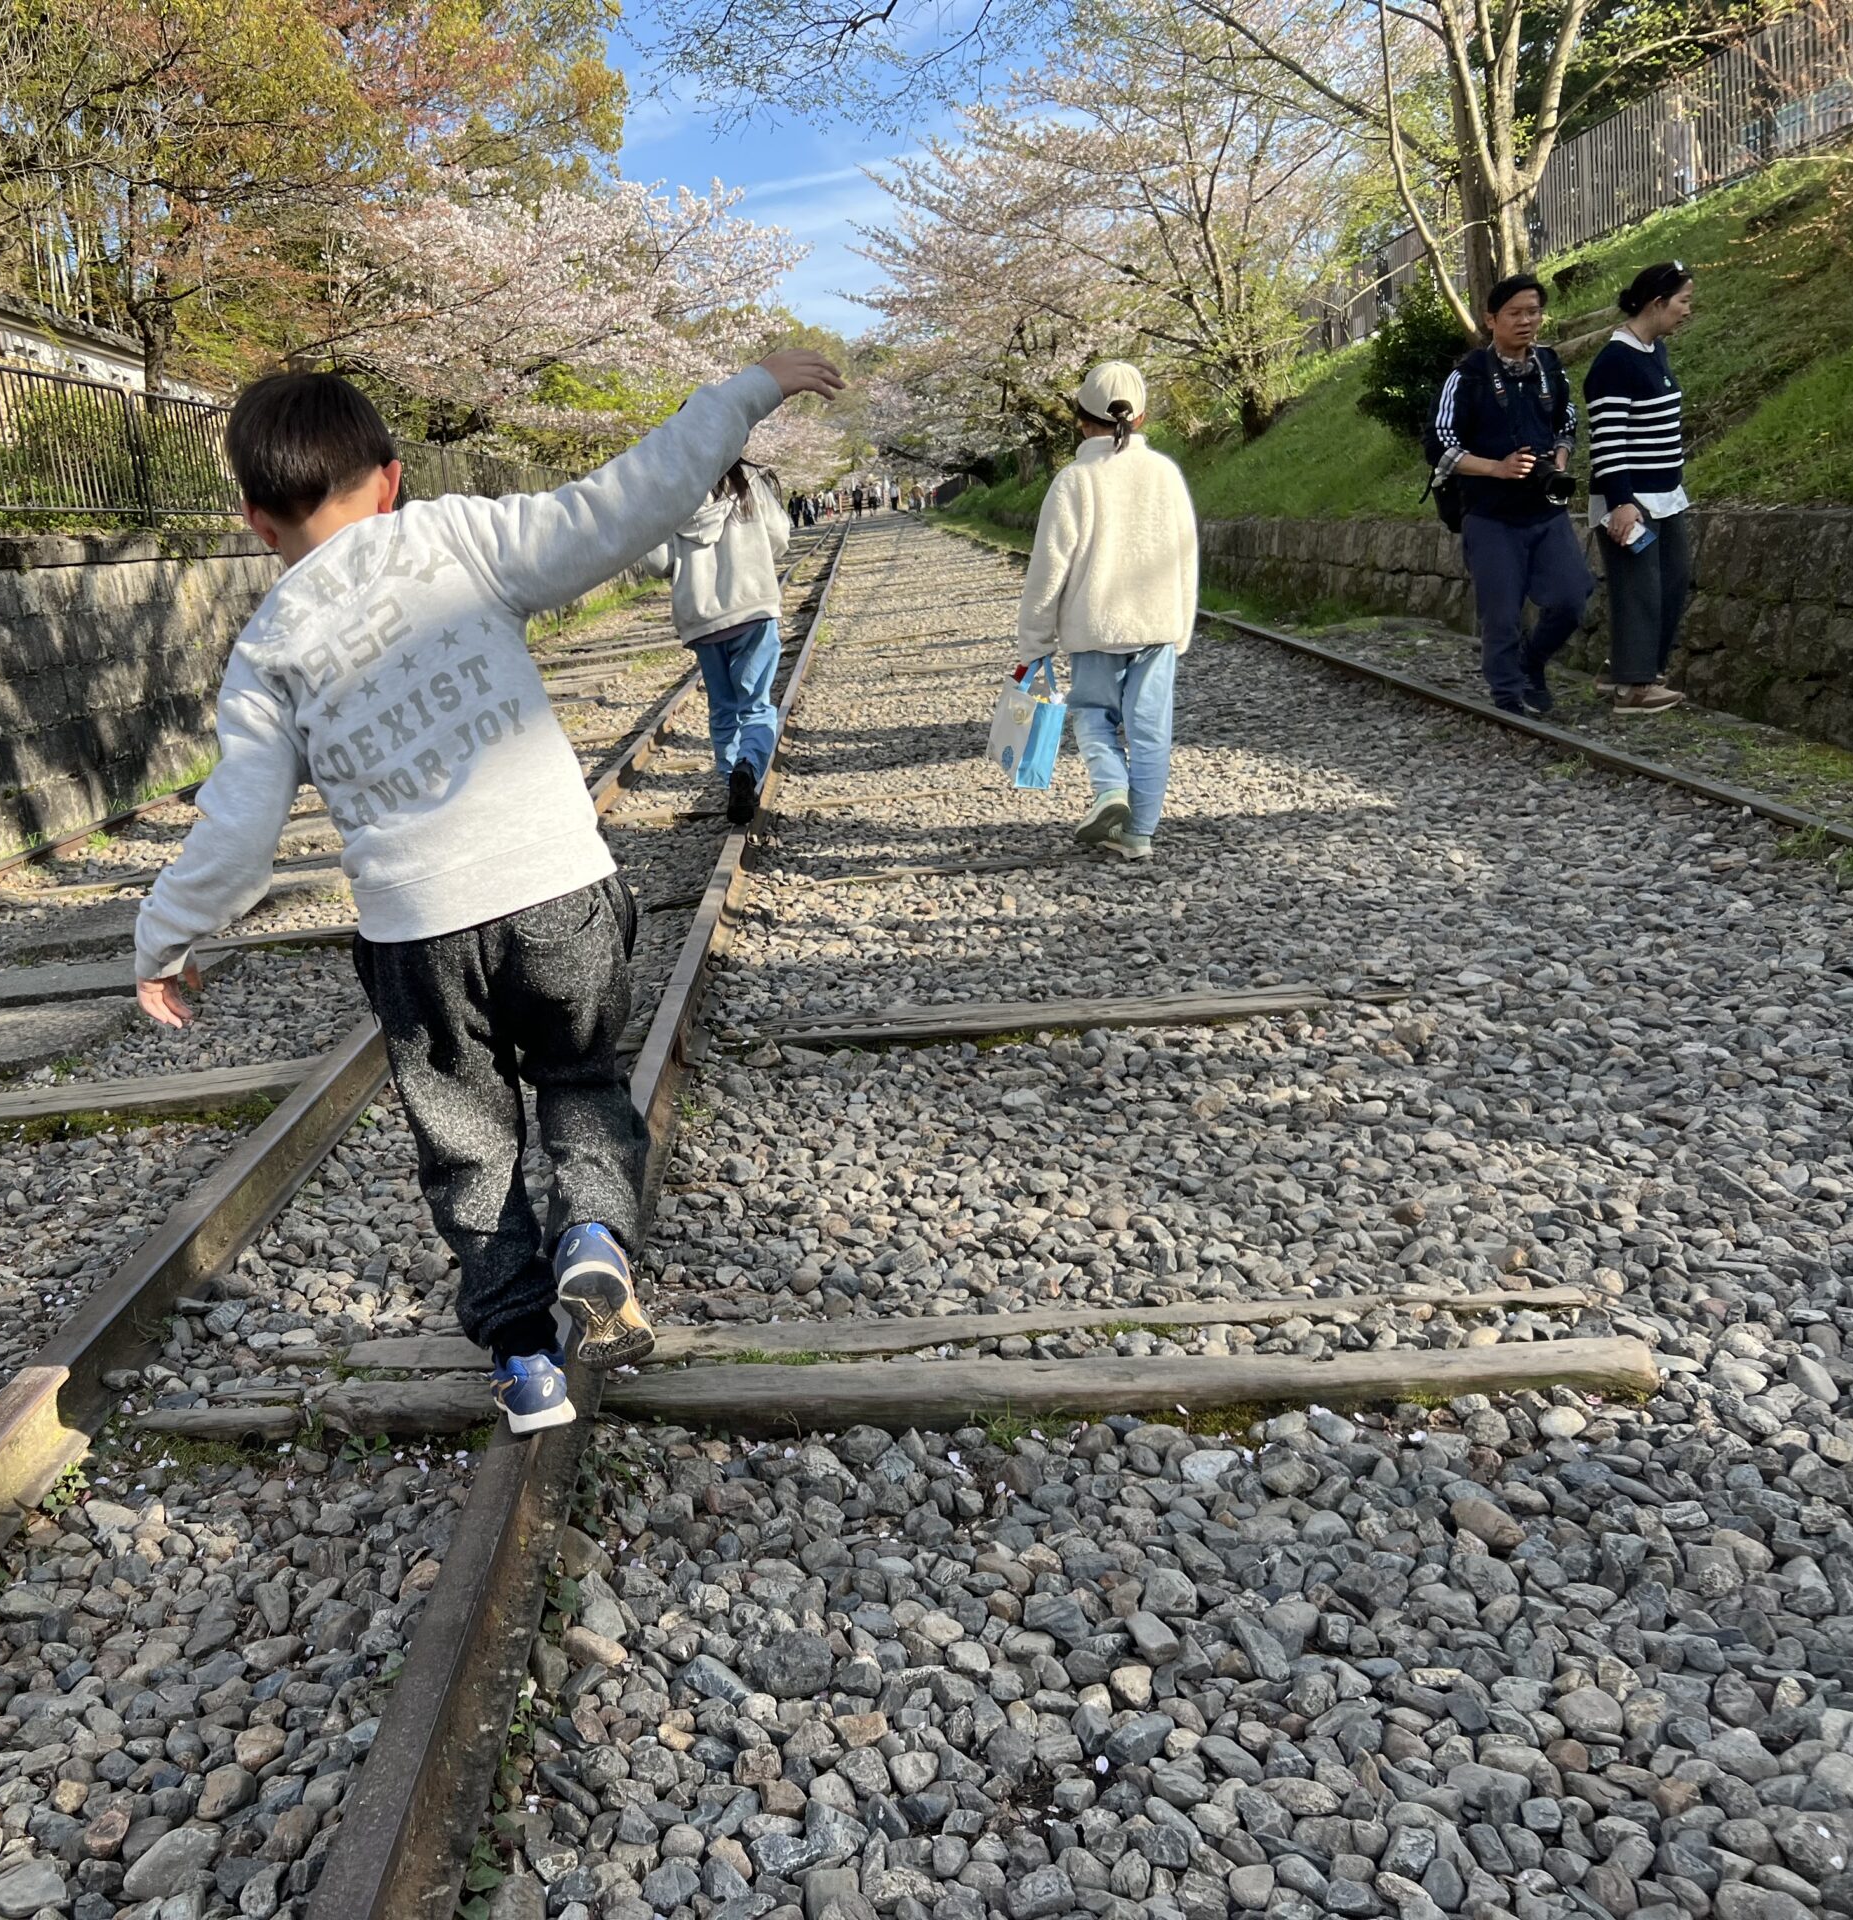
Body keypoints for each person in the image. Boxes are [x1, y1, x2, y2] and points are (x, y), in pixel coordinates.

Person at [131, 350, 845, 1435]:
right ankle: (595, 1237)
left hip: (418, 937)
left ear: (254, 520)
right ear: (392, 475)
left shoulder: (265, 647)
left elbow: (238, 837)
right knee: (580, 1081)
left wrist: (164, 938)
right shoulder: (458, 538)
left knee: (468, 1144)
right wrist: (748, 390)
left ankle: (523, 1362)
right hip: (556, 887)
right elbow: (631, 497)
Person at [1013, 361, 1199, 862]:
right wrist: (1181, 626)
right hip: (1158, 625)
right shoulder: (1165, 473)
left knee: (1093, 714)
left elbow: (1048, 569)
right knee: (1151, 729)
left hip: (1094, 627)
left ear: (1080, 419)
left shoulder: (1074, 480)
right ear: (1140, 417)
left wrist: (1034, 642)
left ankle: (1111, 790)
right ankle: (1139, 834)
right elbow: (1186, 554)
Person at [1433, 272, 1590, 717]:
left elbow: (1566, 421)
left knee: (1571, 599)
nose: (1526, 321)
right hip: (1490, 514)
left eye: (1534, 312)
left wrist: (1559, 457)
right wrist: (1496, 469)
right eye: (1515, 313)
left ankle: (1531, 663)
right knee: (1501, 616)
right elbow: (1439, 444)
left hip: (1545, 510)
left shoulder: (1550, 366)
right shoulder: (1468, 376)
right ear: (1491, 320)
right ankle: (1508, 699)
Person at [645, 454, 790, 823]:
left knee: (723, 708)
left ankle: (732, 781)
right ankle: (748, 770)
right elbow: (779, 536)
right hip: (752, 607)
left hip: (703, 617)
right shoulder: (750, 481)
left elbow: (656, 561)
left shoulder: (672, 493)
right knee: (755, 705)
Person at [1586, 261, 1695, 714]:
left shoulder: (1655, 352)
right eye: (1683, 301)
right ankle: (1634, 688)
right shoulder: (1615, 362)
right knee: (1639, 590)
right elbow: (1608, 442)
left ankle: (1632, 668)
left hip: (1667, 495)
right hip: (1630, 501)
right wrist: (1622, 505)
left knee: (1672, 583)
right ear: (1657, 302)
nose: (1688, 311)